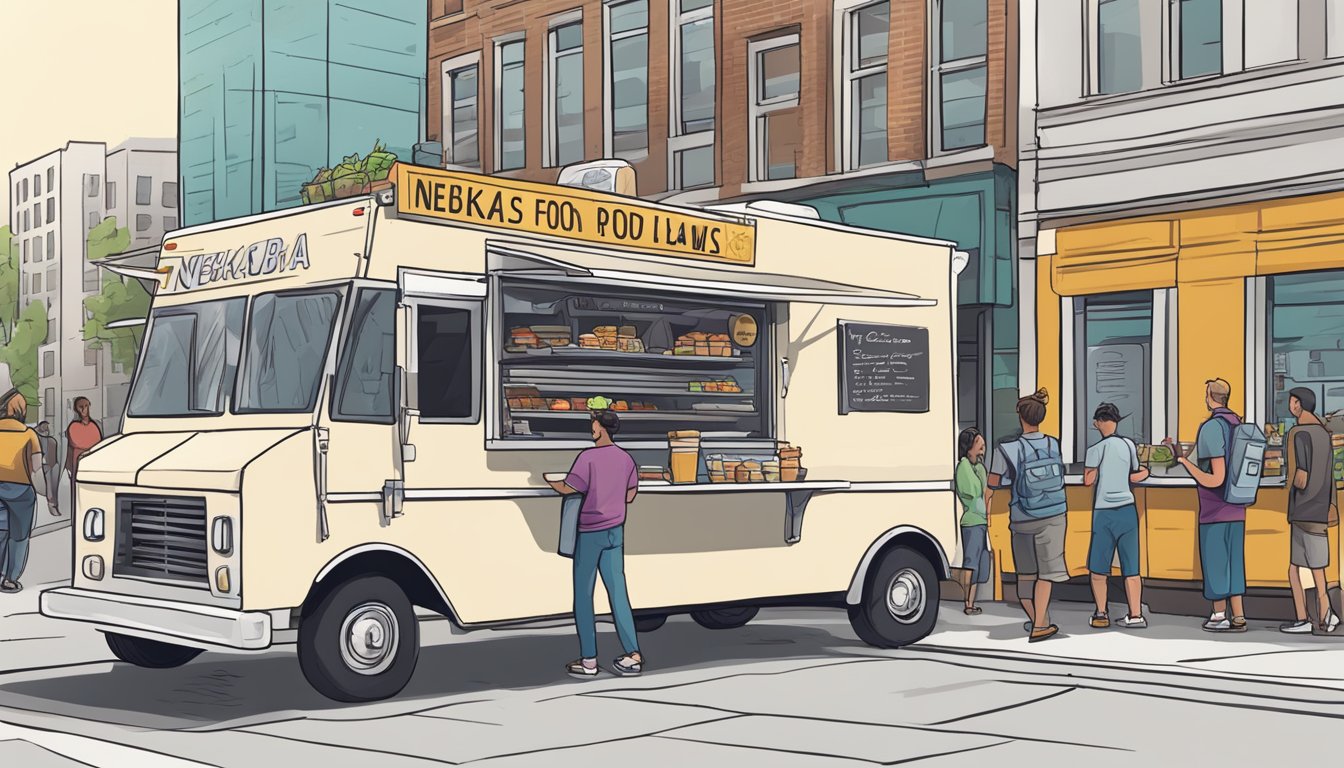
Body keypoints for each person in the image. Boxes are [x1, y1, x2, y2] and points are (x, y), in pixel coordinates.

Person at [547, 409, 643, 677]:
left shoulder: (587, 458)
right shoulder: (625, 459)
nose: (592, 428)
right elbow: (631, 494)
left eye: (594, 424)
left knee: (584, 596)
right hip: (615, 532)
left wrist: (550, 482)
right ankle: (633, 655)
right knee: (618, 594)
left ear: (601, 428)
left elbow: (570, 488)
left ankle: (589, 661)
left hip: (590, 533)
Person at [989, 389, 1068, 642]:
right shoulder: (1054, 443)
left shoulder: (1006, 449)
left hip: (1022, 517)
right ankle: (1039, 624)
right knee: (1046, 574)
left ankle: (1038, 621)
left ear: (1020, 417)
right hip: (1054, 515)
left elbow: (992, 483)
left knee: (1025, 573)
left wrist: (987, 509)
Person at [1172, 378, 1248, 633]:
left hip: (1215, 509)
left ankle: (1218, 615)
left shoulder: (1212, 428)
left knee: (1216, 561)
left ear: (1210, 397)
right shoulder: (1238, 422)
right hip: (1238, 507)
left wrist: (1185, 463)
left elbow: (1216, 477)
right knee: (1234, 561)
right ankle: (1238, 615)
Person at [1082, 403, 1150, 629]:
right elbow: (1135, 475)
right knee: (1131, 568)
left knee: (1099, 568)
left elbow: (1088, 480)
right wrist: (1146, 472)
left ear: (1100, 422)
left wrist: (1098, 469)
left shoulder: (1095, 449)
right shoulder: (1128, 445)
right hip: (1127, 511)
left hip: (1104, 513)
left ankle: (1101, 613)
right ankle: (1135, 614)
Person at [1280, 388, 1339, 633]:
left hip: (1304, 510)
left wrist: (1287, 484)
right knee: (1317, 568)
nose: (1290, 405)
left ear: (1298, 404)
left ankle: (1308, 618)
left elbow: (1301, 477)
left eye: (1292, 401)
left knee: (1296, 569)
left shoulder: (1300, 432)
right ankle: (1324, 615)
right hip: (1321, 509)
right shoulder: (1324, 434)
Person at [0, 390, 48, 593]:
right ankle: (10, 579)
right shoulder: (29, 434)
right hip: (21, 491)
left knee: (1, 531)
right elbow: (36, 466)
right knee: (19, 537)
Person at [955, 428, 992, 615]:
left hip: (982, 520)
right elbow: (973, 493)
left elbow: (986, 491)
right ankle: (967, 603)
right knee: (971, 562)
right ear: (968, 447)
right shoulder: (963, 467)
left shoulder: (979, 467)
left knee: (980, 563)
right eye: (979, 445)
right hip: (971, 521)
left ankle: (971, 601)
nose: (982, 450)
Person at [65, 397, 102, 509]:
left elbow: (98, 442)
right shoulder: (73, 426)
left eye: (86, 406)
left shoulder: (95, 425)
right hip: (78, 465)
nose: (84, 409)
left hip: (94, 466)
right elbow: (77, 442)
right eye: (81, 407)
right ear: (76, 409)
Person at [35, 422, 60, 517]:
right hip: (33, 466)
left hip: (43, 464)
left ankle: (52, 501)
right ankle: (52, 503)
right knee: (48, 470)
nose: (47, 429)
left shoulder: (51, 441)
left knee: (54, 468)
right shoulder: (32, 435)